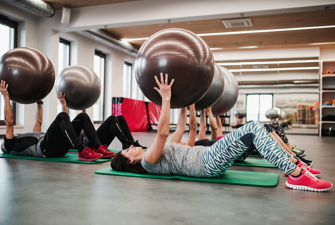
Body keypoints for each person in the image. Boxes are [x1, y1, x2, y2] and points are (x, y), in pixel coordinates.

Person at [111, 73, 332, 192]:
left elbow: (180, 128)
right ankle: (295, 176)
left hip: (211, 157)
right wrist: (166, 99)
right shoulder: (149, 162)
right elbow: (160, 134)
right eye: (126, 152)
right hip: (207, 162)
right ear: (130, 162)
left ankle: (295, 165)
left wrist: (185, 102)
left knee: (257, 127)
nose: (130, 147)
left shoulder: (156, 154)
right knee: (254, 128)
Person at [0, 80, 112, 161]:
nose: (11, 134)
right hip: (47, 150)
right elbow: (9, 122)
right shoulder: (9, 144)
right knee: (61, 117)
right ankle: (82, 150)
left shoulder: (25, 138)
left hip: (58, 148)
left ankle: (98, 147)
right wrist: (6, 97)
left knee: (82, 117)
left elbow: (38, 121)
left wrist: (39, 102)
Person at [58, 93, 146, 151]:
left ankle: (131, 142)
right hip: (91, 144)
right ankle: (126, 144)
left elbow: (86, 124)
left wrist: (83, 107)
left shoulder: (78, 130)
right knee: (112, 119)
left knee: (120, 118)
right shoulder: (68, 134)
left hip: (96, 140)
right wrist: (64, 105)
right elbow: (65, 120)